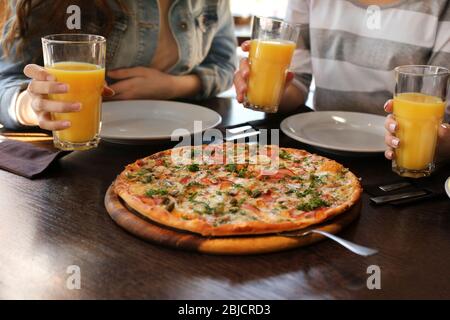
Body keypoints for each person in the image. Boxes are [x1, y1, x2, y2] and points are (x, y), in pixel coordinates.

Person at [0, 0, 236, 131]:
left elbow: (224, 64)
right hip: (77, 153)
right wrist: (30, 107)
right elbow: (4, 83)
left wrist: (173, 86)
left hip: (182, 140)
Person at [234, 0, 450, 115]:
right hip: (319, 140)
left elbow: (441, 112)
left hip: (397, 156)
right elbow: (297, 83)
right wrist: (268, 92)